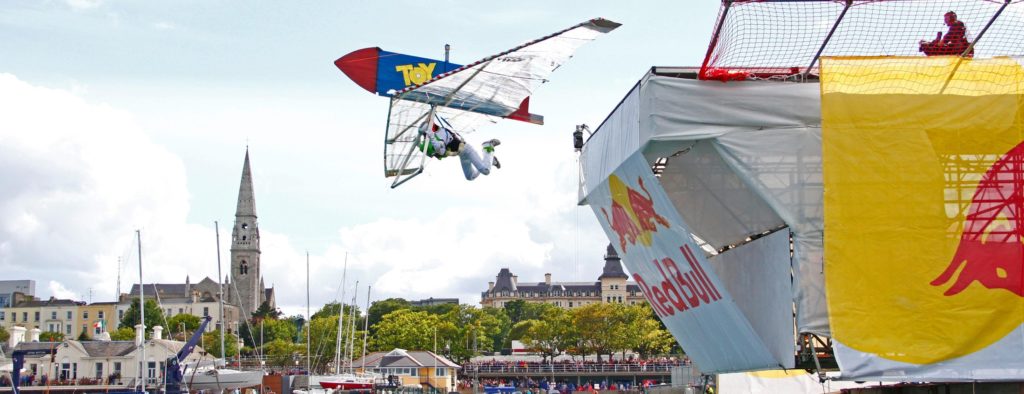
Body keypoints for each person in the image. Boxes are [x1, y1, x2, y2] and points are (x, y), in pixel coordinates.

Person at [419, 114, 501, 181]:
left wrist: (432, 137)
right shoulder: (431, 136)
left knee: (486, 171)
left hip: (467, 149)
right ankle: (491, 160)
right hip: (462, 154)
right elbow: (428, 121)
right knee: (470, 176)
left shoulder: (438, 136)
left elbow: (439, 147)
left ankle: (487, 146)